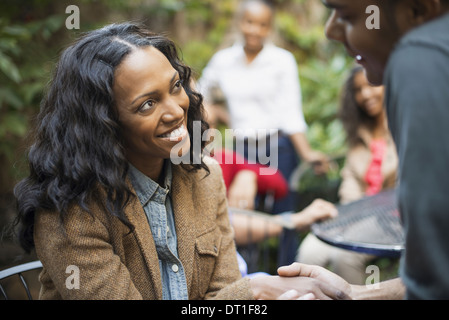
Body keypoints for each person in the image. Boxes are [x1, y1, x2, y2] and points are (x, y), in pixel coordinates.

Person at [11, 22, 348, 300]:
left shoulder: (203, 175)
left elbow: (224, 292)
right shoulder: (72, 210)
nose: (176, 111)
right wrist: (258, 288)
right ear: (103, 125)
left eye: (175, 87)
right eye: (147, 104)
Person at [277, 0, 449, 300]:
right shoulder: (360, 135)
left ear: (419, 10)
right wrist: (352, 295)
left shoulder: (419, 58)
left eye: (345, 15)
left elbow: (433, 282)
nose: (330, 30)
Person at [198, 0, 328, 266]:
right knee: (241, 219)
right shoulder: (223, 61)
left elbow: (291, 112)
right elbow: (199, 95)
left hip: (277, 149)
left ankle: (289, 276)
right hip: (242, 150)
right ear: (239, 23)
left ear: (270, 28)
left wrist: (307, 154)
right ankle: (247, 281)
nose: (254, 30)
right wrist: (218, 115)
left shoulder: (281, 60)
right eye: (249, 22)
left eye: (262, 24)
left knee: (285, 219)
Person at [297, 66, 398, 285]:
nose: (365, 95)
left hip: (391, 219)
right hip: (356, 212)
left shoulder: (402, 127)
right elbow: (350, 182)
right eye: (358, 90)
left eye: (371, 85)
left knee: (345, 256)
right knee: (309, 252)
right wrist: (347, 217)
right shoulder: (358, 133)